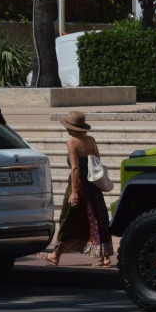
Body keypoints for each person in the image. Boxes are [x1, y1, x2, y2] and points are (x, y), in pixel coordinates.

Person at [39, 111, 113, 268]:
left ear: (71, 128)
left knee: (67, 219)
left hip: (78, 184)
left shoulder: (72, 143)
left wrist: (74, 192)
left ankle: (55, 255)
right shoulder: (91, 140)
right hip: (93, 186)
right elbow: (97, 160)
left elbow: (75, 168)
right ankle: (105, 256)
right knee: (96, 217)